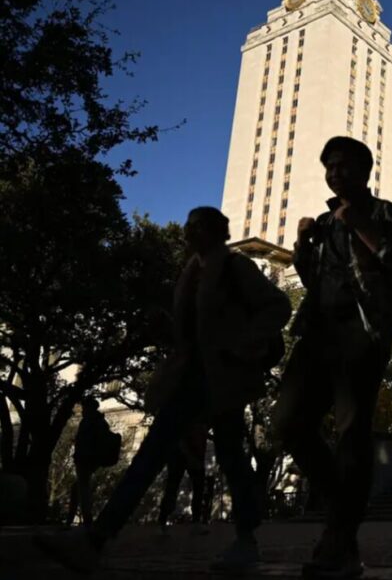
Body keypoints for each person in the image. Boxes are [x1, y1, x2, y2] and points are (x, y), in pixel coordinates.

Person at [35, 206, 292, 574]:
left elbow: (278, 306)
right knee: (156, 451)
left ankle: (245, 538)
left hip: (224, 377)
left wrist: (241, 345)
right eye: (189, 226)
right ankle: (98, 537)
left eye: (199, 226)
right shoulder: (191, 273)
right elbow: (194, 328)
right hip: (191, 376)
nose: (190, 232)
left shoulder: (236, 267)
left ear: (219, 231)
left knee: (229, 457)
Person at [272, 136, 392, 578]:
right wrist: (301, 245)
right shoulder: (323, 221)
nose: (335, 173)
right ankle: (343, 509)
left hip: (363, 333)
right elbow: (314, 278)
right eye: (330, 166)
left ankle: (338, 537)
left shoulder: (383, 213)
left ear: (365, 170)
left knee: (352, 431)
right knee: (287, 423)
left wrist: (356, 223)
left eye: (344, 166)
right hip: (317, 334)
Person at [65, 397, 119, 528]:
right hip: (89, 459)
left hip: (85, 458)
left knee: (82, 488)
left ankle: (86, 519)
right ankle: (71, 518)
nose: (82, 410)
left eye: (84, 407)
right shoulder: (99, 421)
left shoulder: (90, 421)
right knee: (77, 487)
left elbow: (86, 442)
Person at [157, 423, 211, 535]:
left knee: (197, 487)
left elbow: (202, 437)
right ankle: (163, 521)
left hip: (194, 453)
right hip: (180, 454)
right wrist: (189, 454)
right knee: (173, 486)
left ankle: (195, 521)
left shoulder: (203, 420)